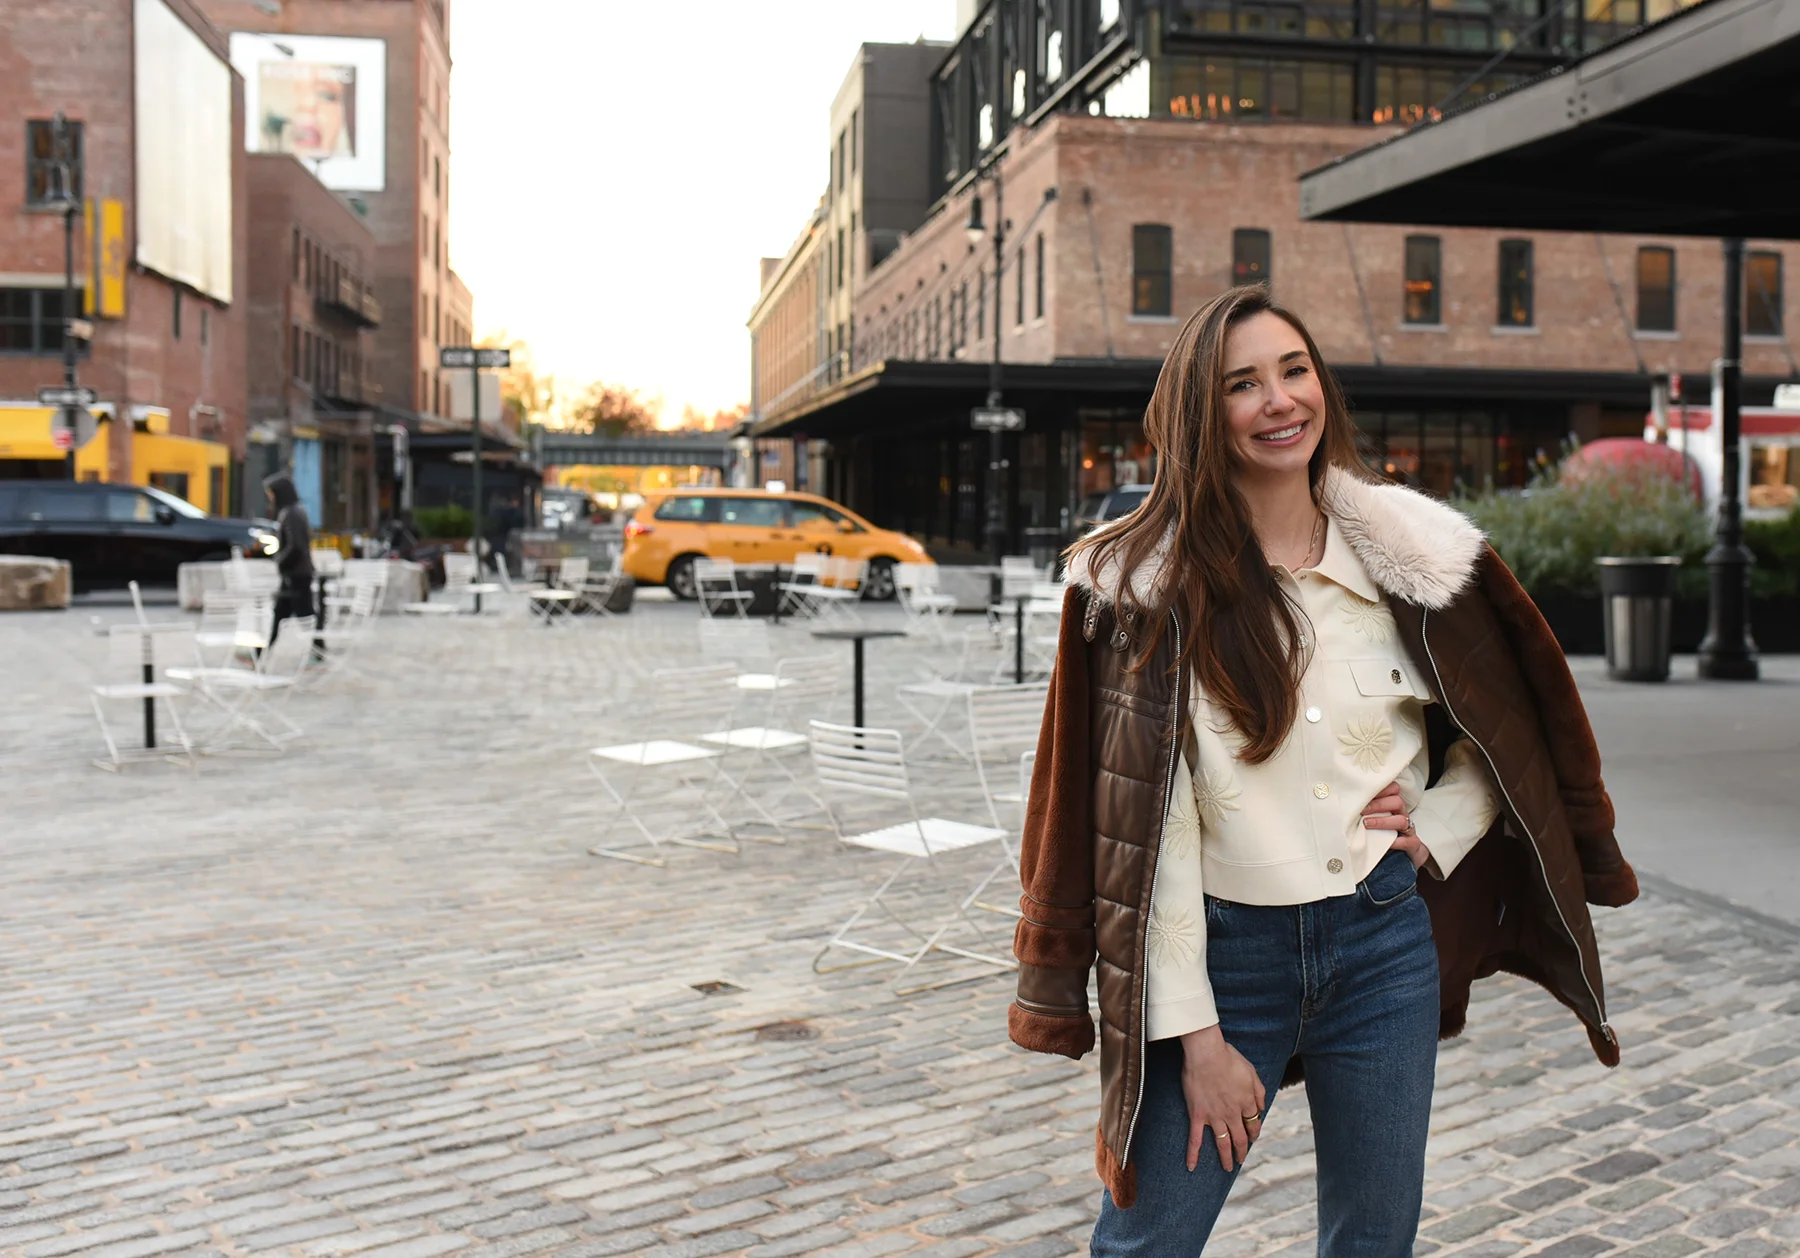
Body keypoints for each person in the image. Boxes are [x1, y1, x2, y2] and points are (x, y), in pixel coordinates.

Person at [1007, 286, 1639, 1256]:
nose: (1279, 401)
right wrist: (1198, 1039)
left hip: (1381, 946)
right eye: (1242, 384)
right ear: (1199, 414)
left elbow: (1499, 738)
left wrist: (1438, 819)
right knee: (1143, 1244)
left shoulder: (1408, 560)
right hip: (1224, 959)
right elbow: (1152, 829)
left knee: (1374, 1240)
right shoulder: (1145, 588)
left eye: (1294, 371)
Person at [264, 472, 316, 654]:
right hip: (295, 573)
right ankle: (262, 651)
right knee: (282, 613)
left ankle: (317, 650)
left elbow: (296, 546)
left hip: (296, 574)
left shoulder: (291, 514)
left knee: (305, 614)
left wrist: (280, 561)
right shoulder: (294, 511)